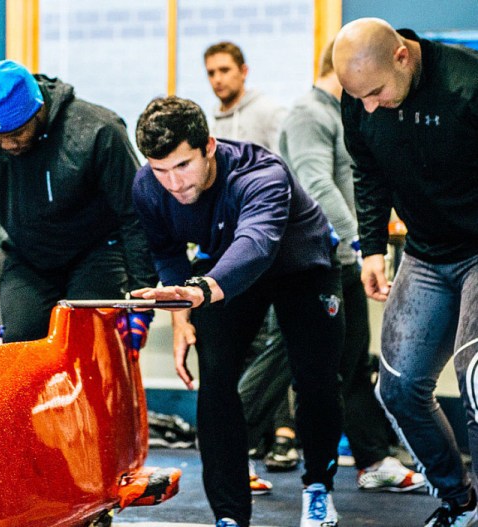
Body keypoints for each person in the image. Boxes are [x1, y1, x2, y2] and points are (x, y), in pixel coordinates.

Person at [131, 95, 344, 527]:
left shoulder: (261, 174)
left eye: (183, 166)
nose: (173, 184)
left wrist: (202, 289)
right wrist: (180, 315)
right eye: (161, 170)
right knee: (216, 378)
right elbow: (167, 252)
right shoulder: (148, 186)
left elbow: (257, 244)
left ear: (208, 146)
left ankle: (318, 486)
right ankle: (229, 516)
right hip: (224, 273)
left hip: (302, 265)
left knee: (316, 378)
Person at [333, 17, 478, 527]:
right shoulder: (360, 97)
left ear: (402, 56)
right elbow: (367, 172)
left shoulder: (466, 84)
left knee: (476, 378)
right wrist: (372, 249)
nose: (368, 106)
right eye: (358, 97)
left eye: (374, 93)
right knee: (397, 388)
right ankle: (461, 502)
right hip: (425, 253)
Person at [279, 40, 425, 493]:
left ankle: (373, 458)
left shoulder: (343, 110)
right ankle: (230, 451)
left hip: (339, 257)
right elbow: (316, 183)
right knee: (293, 366)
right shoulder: (310, 112)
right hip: (314, 260)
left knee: (353, 363)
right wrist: (365, 243)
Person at [0, 60, 157, 344]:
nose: (8, 145)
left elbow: (135, 214)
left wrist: (142, 299)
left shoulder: (98, 131)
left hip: (96, 253)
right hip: (29, 257)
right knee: (22, 344)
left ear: (38, 110)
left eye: (16, 134)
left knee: (85, 341)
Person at [205, 40, 297, 479]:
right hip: (227, 250)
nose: (218, 79)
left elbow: (288, 171)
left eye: (224, 70)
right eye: (211, 72)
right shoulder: (208, 127)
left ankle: (282, 433)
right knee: (251, 344)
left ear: (243, 71)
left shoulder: (270, 114)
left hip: (270, 244)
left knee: (280, 341)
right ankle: (257, 441)